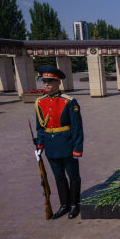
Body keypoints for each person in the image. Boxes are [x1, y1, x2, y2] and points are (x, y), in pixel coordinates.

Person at [34, 66, 84, 219]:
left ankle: (74, 204)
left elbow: (77, 127)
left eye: (50, 82)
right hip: (50, 146)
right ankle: (64, 205)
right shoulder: (39, 102)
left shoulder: (69, 102)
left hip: (67, 145)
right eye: (45, 82)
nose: (47, 85)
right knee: (58, 176)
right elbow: (40, 127)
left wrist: (77, 148)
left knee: (73, 175)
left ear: (58, 83)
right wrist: (40, 146)